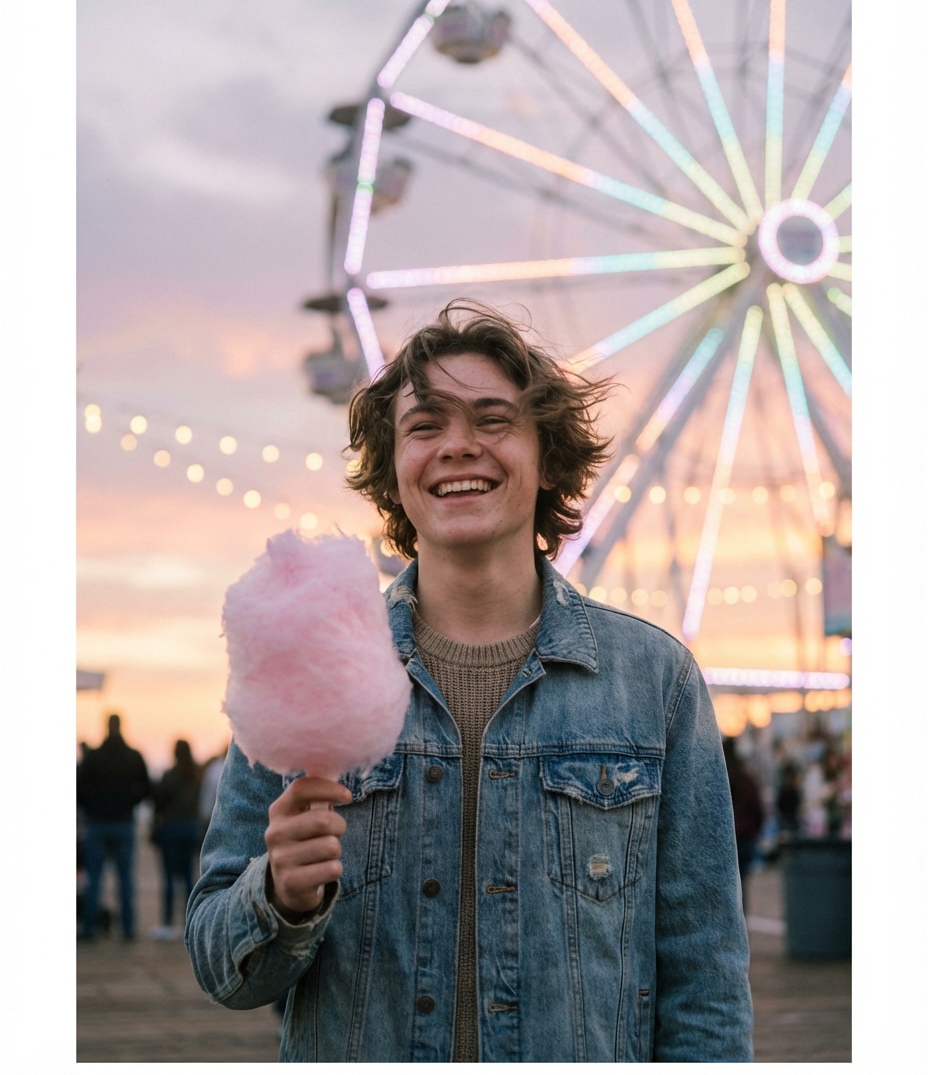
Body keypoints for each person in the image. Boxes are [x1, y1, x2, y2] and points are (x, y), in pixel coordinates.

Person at [187, 301, 753, 1062]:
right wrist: (280, 896)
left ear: (548, 456)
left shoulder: (655, 683)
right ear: (392, 470)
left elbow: (705, 977)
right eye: (425, 427)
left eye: (492, 420)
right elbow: (220, 968)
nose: (459, 446)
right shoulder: (307, 664)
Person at [77, 713, 150, 942]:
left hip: (98, 823)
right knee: (126, 879)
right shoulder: (133, 756)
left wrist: (91, 806)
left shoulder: (94, 757)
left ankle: (89, 929)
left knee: (94, 880)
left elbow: (78, 788)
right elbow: (146, 788)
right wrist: (129, 803)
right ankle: (127, 929)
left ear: (106, 727)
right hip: (123, 821)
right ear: (122, 726)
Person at [150, 739, 203, 940]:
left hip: (171, 828)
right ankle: (190, 920)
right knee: (190, 876)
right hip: (191, 828)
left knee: (169, 877)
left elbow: (158, 801)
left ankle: (167, 923)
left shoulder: (170, 775)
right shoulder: (196, 775)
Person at [722, 735, 765, 912]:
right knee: (742, 882)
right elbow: (758, 808)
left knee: (725, 885)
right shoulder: (746, 778)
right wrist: (755, 830)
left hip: (725, 837)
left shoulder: (718, 777)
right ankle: (741, 921)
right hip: (745, 837)